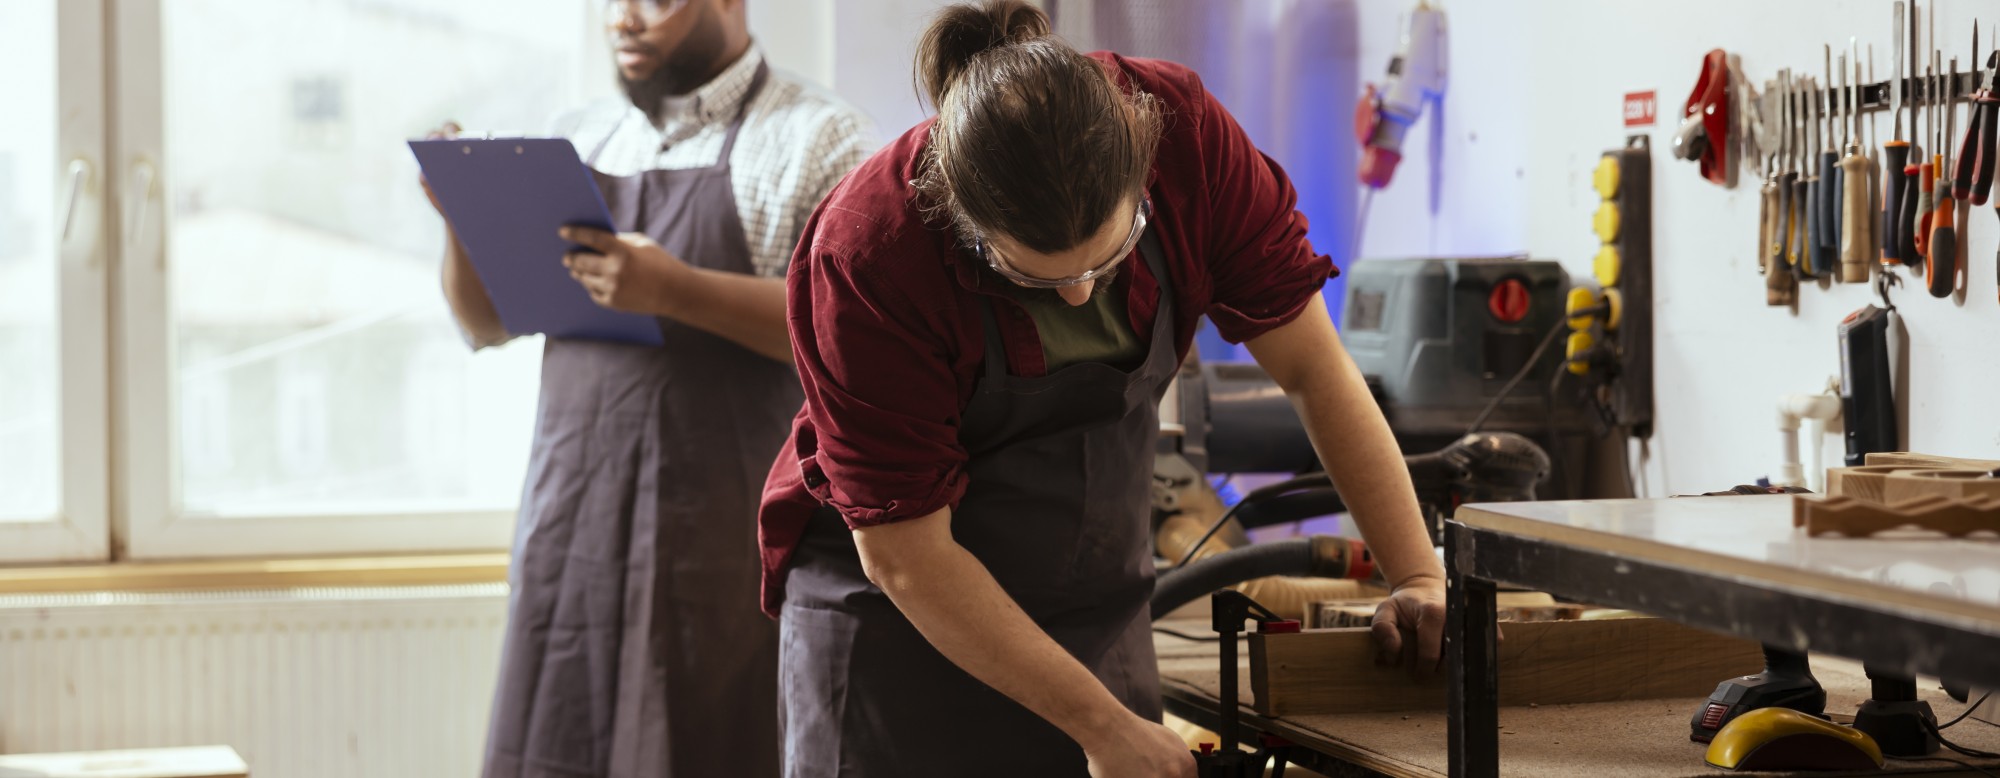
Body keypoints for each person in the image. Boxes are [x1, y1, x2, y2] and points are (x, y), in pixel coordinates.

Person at [755, 2, 1446, 776]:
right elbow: (908, 557)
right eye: (1033, 277)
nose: (1081, 295)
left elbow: (1314, 370)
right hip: (900, 630)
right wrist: (1102, 726)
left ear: (1145, 165)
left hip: (1092, 607)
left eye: (1109, 259)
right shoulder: (870, 253)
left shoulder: (1188, 140)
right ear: (959, 216)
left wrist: (1417, 573)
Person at [423, 1, 873, 776]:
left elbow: (847, 335)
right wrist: (460, 221)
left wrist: (674, 290)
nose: (624, 20)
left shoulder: (822, 139)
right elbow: (486, 324)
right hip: (573, 541)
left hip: (726, 557)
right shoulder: (578, 138)